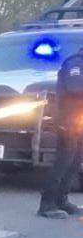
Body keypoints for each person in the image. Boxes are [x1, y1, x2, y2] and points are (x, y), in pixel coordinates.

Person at [39, 51, 83, 218]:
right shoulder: (76, 63)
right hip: (68, 120)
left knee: (75, 162)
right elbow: (75, 87)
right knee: (63, 162)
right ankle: (47, 204)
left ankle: (61, 200)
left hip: (79, 122)